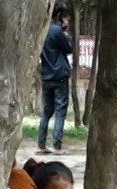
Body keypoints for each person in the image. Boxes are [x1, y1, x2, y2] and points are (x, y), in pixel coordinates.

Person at [38, 5, 73, 154]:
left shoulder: (41, 31)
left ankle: (41, 145)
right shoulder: (56, 31)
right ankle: (57, 145)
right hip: (59, 76)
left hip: (46, 76)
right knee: (60, 111)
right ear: (58, 15)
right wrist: (65, 33)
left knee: (47, 111)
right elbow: (69, 49)